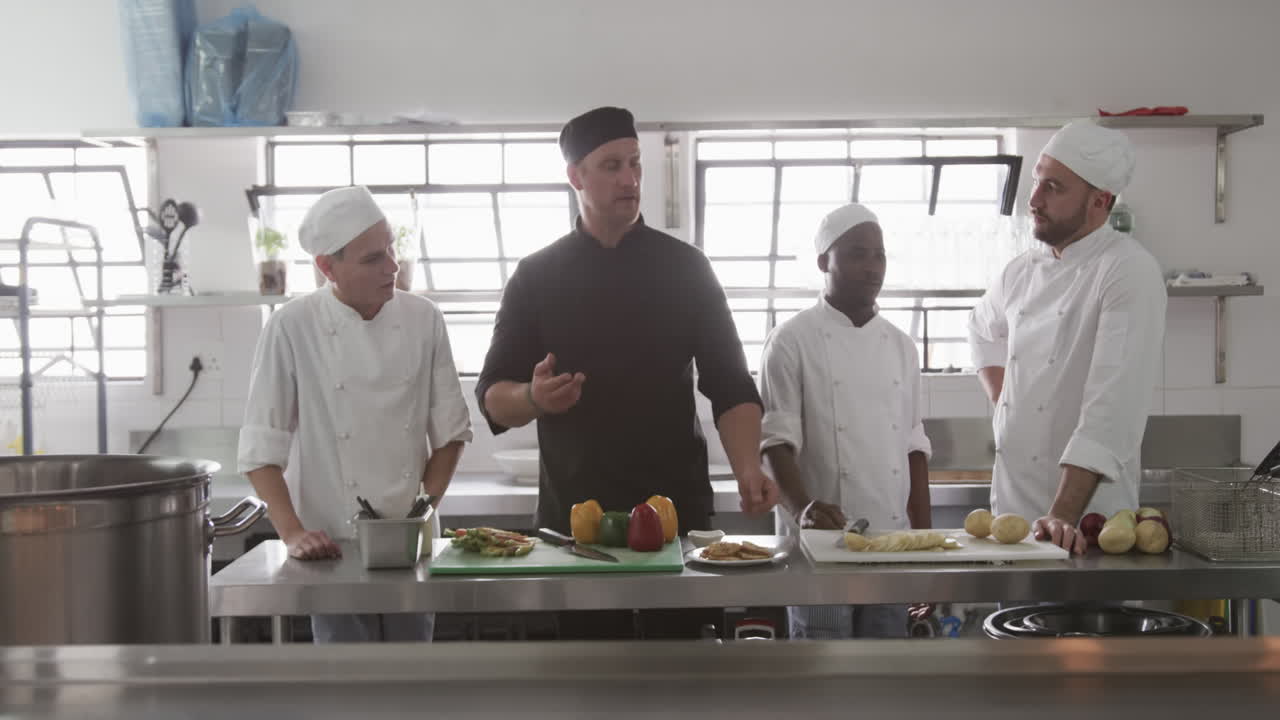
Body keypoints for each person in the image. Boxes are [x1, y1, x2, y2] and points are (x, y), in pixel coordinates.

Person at [476, 106, 779, 638]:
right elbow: (493, 396)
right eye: (612, 165)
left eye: (635, 163)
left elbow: (730, 384)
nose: (630, 179)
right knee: (590, 671)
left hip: (675, 513)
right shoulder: (537, 276)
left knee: (685, 666)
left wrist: (748, 468)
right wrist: (534, 398)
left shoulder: (686, 268)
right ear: (576, 176)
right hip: (578, 521)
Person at [237, 186, 472, 642]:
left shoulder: (424, 319)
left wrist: (419, 513)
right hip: (332, 546)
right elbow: (261, 447)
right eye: (372, 259)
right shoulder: (292, 326)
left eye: (391, 249)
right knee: (343, 675)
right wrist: (293, 533)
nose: (392, 267)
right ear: (328, 267)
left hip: (412, 547)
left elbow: (450, 433)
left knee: (412, 674)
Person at [967, 120, 1166, 555]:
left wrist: (1061, 516)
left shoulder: (1127, 270)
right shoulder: (1020, 271)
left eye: (1053, 187)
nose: (1034, 199)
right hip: (1012, 518)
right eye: (1037, 180)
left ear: (1100, 200)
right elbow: (981, 329)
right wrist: (1004, 403)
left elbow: (1111, 412)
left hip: (1088, 526)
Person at [759, 203, 932, 639]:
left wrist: (927, 549)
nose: (873, 267)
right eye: (857, 254)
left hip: (890, 543)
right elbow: (776, 441)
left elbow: (913, 446)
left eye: (880, 255)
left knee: (886, 668)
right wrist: (803, 509)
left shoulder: (902, 346)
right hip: (819, 545)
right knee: (823, 665)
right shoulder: (790, 340)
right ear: (824, 262)